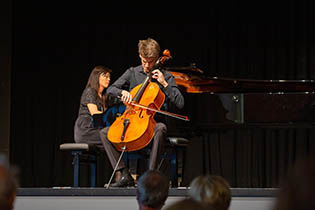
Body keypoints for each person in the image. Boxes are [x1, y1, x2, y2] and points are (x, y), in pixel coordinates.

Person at [99, 37, 185, 188]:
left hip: (155, 123)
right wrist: (122, 93)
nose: (146, 66)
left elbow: (180, 103)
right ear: (140, 56)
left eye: (150, 62)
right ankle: (124, 175)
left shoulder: (166, 76)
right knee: (105, 133)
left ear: (157, 59)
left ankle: (150, 176)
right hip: (133, 121)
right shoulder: (132, 72)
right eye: (143, 61)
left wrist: (164, 83)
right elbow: (111, 89)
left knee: (160, 128)